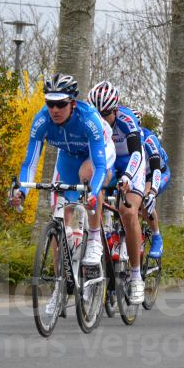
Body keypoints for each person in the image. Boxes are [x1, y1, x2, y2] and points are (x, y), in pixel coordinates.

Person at [12, 73, 116, 310]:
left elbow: (100, 167)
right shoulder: (42, 121)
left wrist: (92, 193)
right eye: (50, 103)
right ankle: (60, 289)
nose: (55, 109)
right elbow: (30, 163)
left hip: (96, 155)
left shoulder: (88, 118)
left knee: (88, 177)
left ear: (72, 103)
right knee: (59, 220)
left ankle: (95, 239)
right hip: (67, 159)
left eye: (61, 104)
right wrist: (22, 192)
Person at [88, 80, 148, 304]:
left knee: (128, 211)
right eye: (97, 113)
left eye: (105, 114)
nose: (101, 119)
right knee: (92, 195)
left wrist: (129, 177)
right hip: (108, 163)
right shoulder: (90, 120)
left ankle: (135, 276)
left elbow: (137, 154)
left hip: (130, 164)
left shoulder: (126, 120)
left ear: (115, 110)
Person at [136, 115, 170, 258]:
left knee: (144, 197)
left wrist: (152, 192)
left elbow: (156, 170)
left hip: (157, 174)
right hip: (137, 174)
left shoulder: (149, 139)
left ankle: (157, 237)